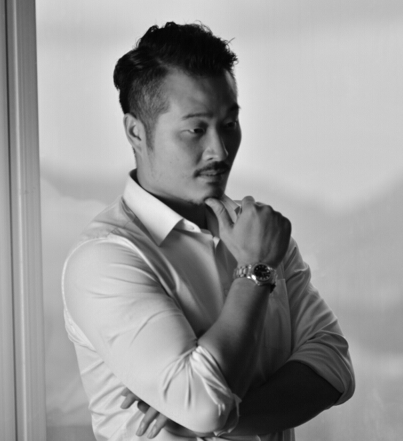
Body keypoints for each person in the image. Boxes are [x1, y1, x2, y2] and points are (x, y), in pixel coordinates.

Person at [62, 22, 355, 441]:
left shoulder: (261, 234)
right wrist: (255, 271)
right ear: (135, 132)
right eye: (196, 130)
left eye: (230, 122)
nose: (221, 150)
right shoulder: (105, 258)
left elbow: (334, 368)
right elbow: (204, 407)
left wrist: (223, 413)